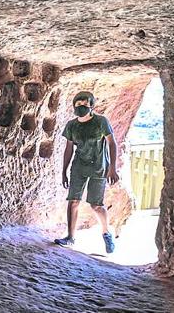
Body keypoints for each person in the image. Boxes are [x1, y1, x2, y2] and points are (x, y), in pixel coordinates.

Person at [54, 91, 119, 253]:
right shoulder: (72, 125)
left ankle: (106, 233)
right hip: (79, 166)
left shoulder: (101, 122)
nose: (81, 107)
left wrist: (112, 168)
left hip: (99, 166)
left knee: (96, 205)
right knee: (73, 200)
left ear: (91, 106)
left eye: (84, 104)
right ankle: (70, 237)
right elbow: (69, 148)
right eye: (78, 104)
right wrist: (64, 171)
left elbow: (112, 143)